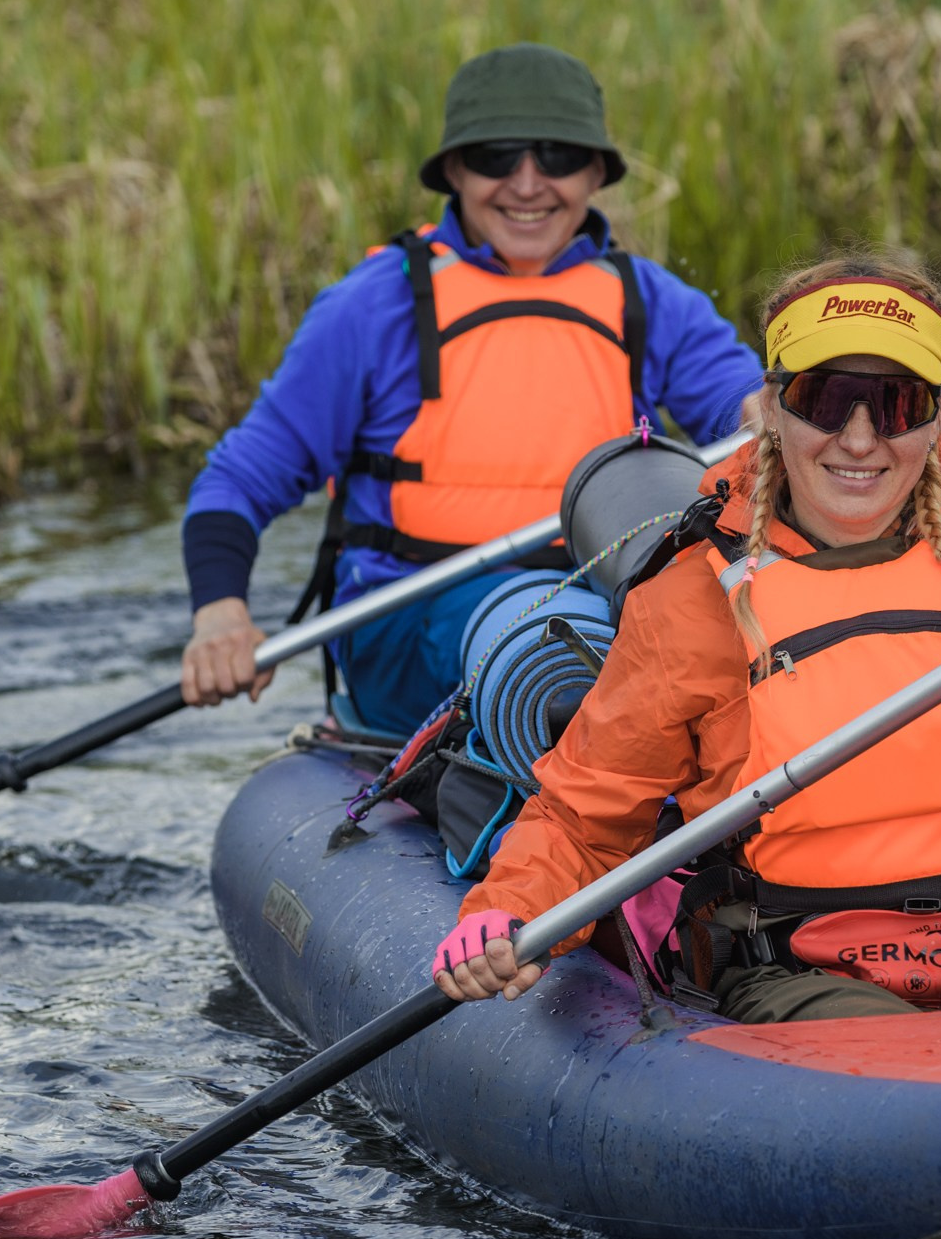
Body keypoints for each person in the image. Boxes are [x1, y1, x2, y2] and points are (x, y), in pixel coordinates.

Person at [430, 253, 941, 1023]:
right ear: (775, 406)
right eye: (826, 400)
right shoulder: (696, 589)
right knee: (889, 1063)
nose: (860, 439)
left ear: (937, 415)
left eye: (898, 404)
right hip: (796, 959)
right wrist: (506, 913)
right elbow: (586, 813)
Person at [179, 43, 763, 738]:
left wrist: (775, 413)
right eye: (496, 158)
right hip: (408, 627)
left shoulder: (653, 302)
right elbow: (237, 480)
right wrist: (220, 612)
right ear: (455, 171)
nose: (526, 184)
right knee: (542, 640)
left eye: (556, 156)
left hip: (610, 610)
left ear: (595, 173)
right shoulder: (372, 306)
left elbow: (747, 414)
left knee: (702, 635)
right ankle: (574, 741)